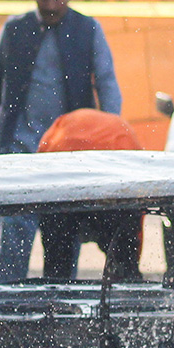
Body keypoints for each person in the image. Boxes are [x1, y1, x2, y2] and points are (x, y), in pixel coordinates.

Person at [0, 0, 121, 281]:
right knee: (12, 233)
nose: (51, 6)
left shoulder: (88, 29)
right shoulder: (14, 30)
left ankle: (58, 299)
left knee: (64, 233)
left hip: (68, 153)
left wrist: (110, 136)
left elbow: (107, 83)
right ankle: (10, 299)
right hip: (18, 149)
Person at [34, 108, 145, 282]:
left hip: (63, 181)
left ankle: (55, 289)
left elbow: (40, 171)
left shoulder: (60, 125)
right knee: (124, 262)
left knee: (57, 262)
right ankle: (127, 285)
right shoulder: (122, 131)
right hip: (113, 186)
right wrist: (133, 259)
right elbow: (137, 209)